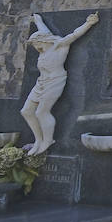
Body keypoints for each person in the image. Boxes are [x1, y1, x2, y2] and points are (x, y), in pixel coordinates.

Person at [21, 12, 99, 155]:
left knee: (41, 112)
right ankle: (38, 140)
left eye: (35, 43)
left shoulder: (59, 44)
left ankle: (48, 140)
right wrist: (38, 20)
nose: (34, 46)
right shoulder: (43, 48)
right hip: (41, 83)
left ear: (42, 41)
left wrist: (89, 23)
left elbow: (75, 35)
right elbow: (43, 29)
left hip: (55, 81)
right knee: (26, 111)